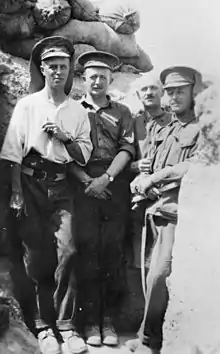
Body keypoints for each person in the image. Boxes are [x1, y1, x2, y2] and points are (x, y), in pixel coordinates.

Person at [0, 36, 93, 354]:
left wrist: (66, 139)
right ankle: (43, 328)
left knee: (68, 251)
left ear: (70, 71)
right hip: (30, 186)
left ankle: (67, 328)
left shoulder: (78, 112)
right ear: (42, 69)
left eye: (63, 67)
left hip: (62, 187)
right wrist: (16, 192)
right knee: (35, 258)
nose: (57, 72)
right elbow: (12, 152)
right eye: (51, 66)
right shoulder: (28, 105)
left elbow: (82, 157)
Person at [126, 66, 203, 354]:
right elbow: (147, 168)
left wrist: (154, 179)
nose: (174, 96)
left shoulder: (203, 129)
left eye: (180, 90)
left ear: (193, 93)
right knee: (149, 276)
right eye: (169, 91)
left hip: (177, 216)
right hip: (152, 212)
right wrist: (139, 181)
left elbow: (190, 166)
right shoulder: (163, 128)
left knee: (159, 276)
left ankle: (151, 341)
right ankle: (148, 338)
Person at [70, 51, 135, 347]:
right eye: (92, 76)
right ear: (84, 80)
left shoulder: (122, 112)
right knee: (87, 251)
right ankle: (88, 321)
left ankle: (107, 320)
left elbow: (127, 148)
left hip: (113, 184)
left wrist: (106, 178)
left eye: (103, 77)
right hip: (82, 185)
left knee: (111, 251)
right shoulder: (70, 110)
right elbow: (62, 152)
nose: (97, 81)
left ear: (110, 80)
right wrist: (88, 181)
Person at [128, 72, 172, 268]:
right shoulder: (133, 122)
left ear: (162, 91)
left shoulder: (174, 120)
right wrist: (135, 166)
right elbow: (121, 156)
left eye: (153, 88)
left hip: (166, 192)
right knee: (138, 252)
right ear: (138, 95)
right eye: (144, 89)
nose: (149, 93)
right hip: (138, 192)